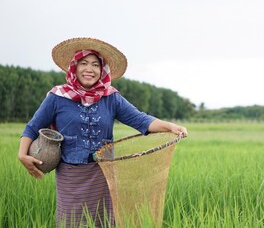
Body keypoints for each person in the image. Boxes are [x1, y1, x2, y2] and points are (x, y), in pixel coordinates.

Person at [18, 37, 188, 227]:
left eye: (95, 65)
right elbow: (32, 128)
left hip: (103, 175)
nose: (89, 69)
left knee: (103, 222)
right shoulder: (57, 97)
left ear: (102, 70)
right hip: (70, 175)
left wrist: (170, 126)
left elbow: (141, 120)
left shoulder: (111, 97)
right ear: (74, 67)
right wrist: (21, 154)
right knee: (71, 222)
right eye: (83, 63)